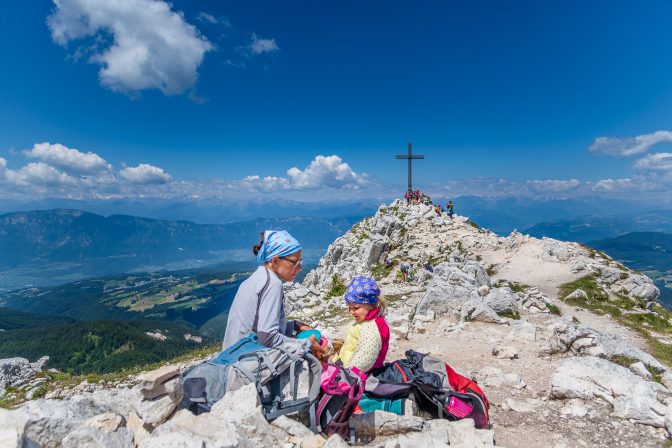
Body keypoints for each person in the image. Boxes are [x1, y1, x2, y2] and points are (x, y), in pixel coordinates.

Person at [222, 230, 322, 357]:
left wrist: (293, 325)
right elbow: (267, 338)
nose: (300, 268)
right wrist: (306, 344)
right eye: (294, 262)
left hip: (231, 358)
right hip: (246, 364)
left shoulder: (256, 278)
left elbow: (259, 328)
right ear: (275, 261)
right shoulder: (272, 284)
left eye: (300, 262)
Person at [330, 276, 389, 373]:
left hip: (360, 377)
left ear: (371, 305)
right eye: (349, 308)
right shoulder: (365, 320)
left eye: (356, 308)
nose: (352, 312)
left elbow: (364, 360)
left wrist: (343, 375)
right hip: (346, 368)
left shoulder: (372, 327)